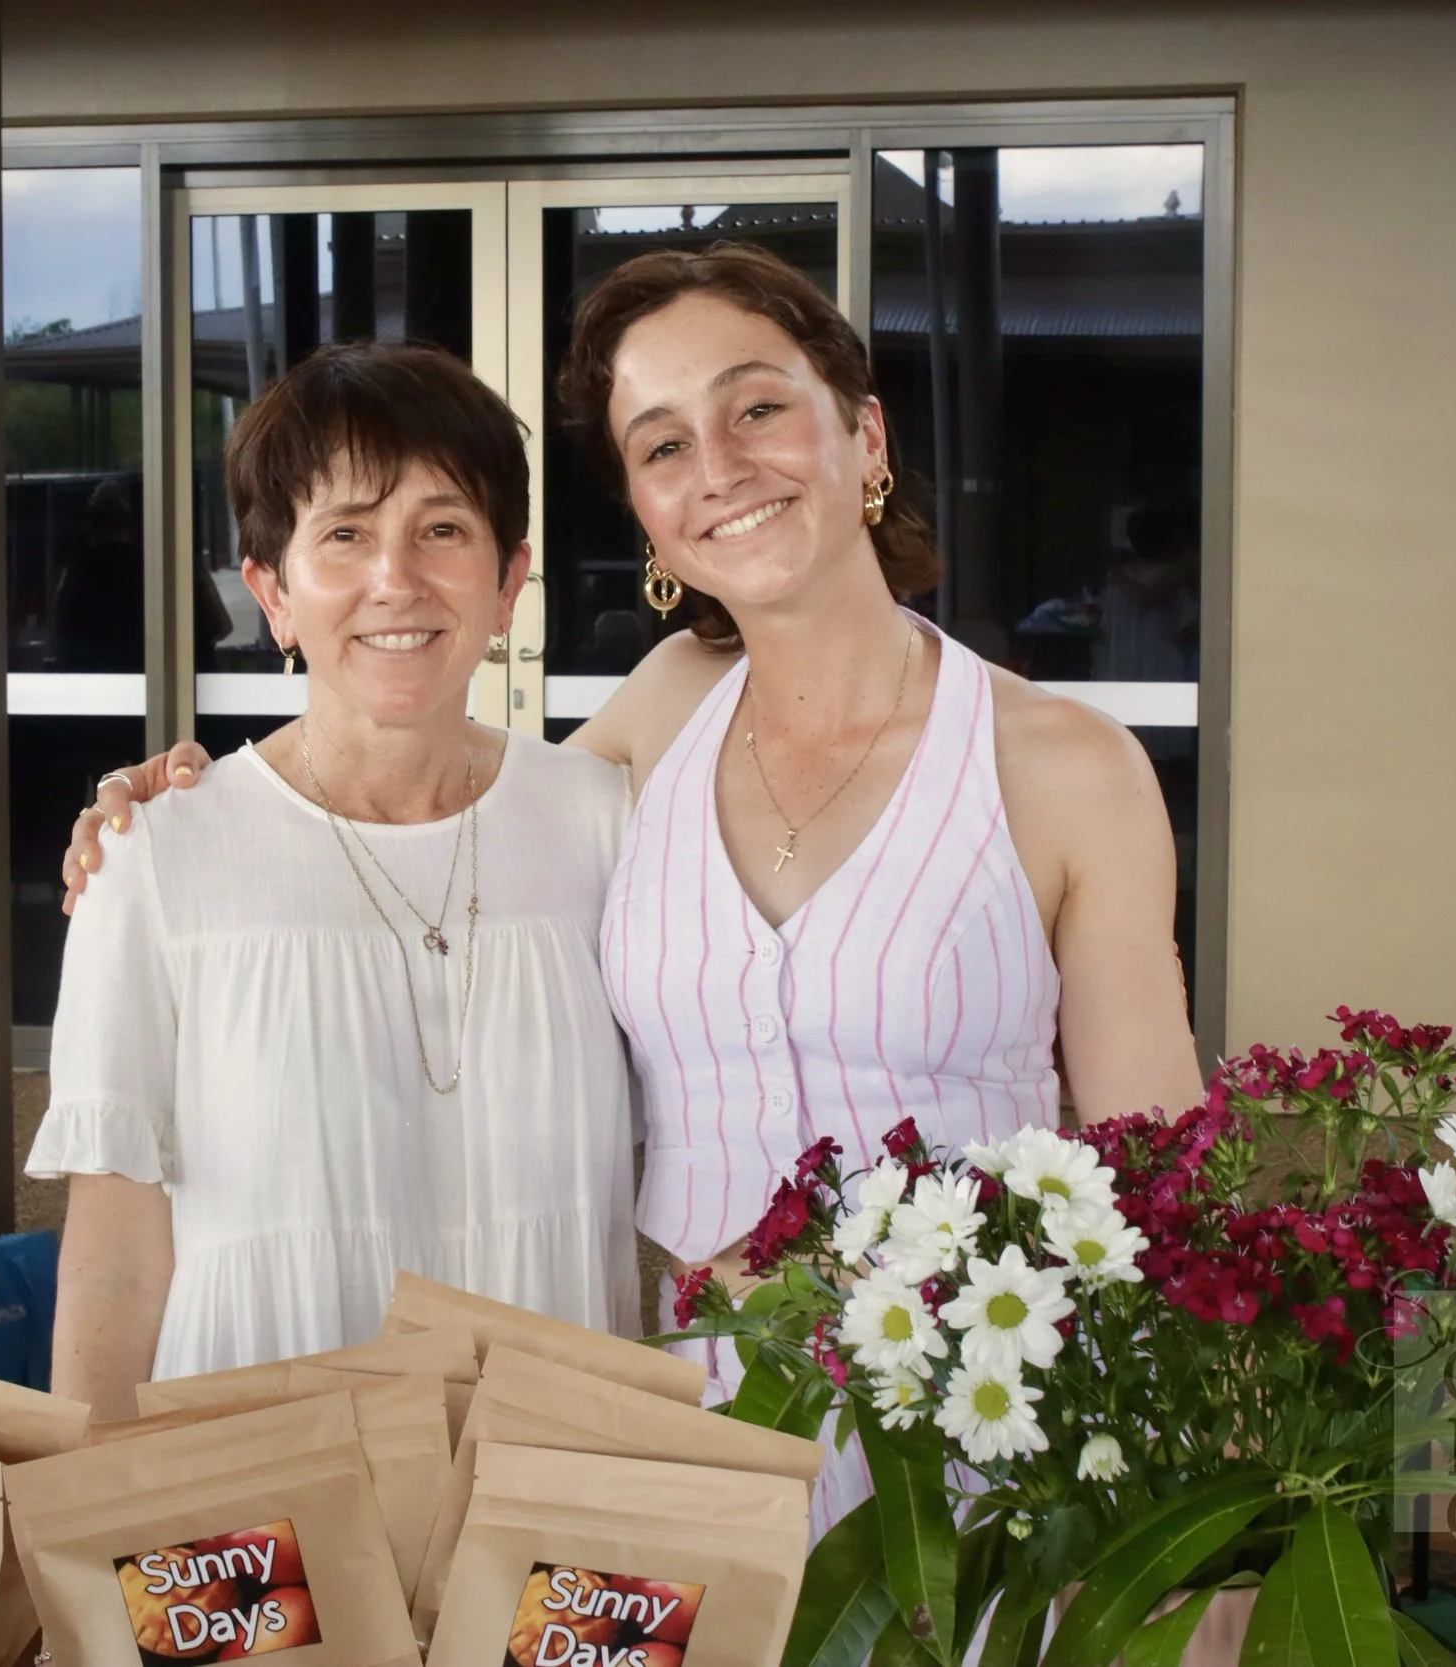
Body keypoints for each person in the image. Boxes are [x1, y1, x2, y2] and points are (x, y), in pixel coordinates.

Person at [65, 248, 1201, 1448]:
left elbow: (1166, 1191)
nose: (718, 468)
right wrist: (191, 807)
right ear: (647, 514)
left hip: (986, 1434)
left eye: (756, 408)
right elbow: (431, 797)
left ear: (865, 435)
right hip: (677, 1447)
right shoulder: (661, 718)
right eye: (662, 445)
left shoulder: (1064, 767)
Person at [33, 343, 637, 1420]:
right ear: (272, 591)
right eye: (346, 534)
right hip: (265, 1480)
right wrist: (87, 1499)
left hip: (550, 1474)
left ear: (508, 581)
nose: (395, 580)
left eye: (442, 529)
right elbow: (115, 1255)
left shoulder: (604, 826)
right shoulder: (162, 857)